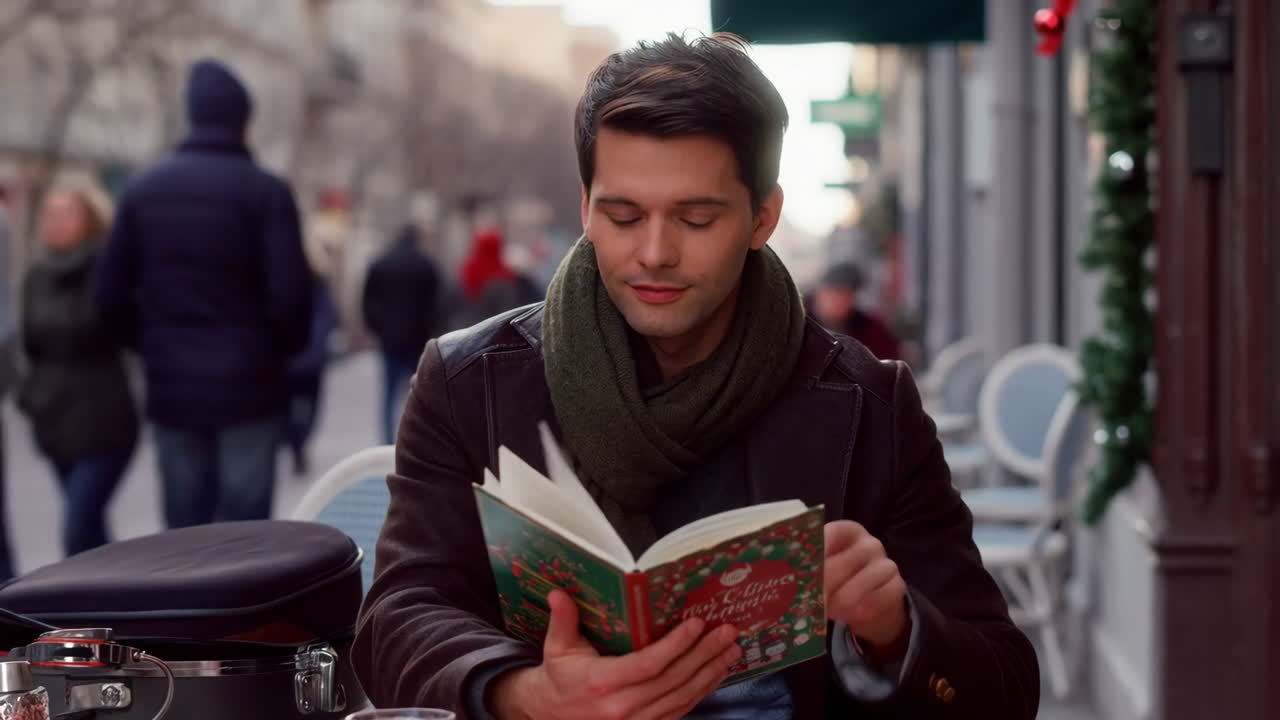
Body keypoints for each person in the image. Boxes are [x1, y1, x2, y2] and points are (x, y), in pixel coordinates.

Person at [352, 33, 1037, 719]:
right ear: (587, 207)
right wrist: (524, 695)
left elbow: (1005, 688)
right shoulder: (469, 381)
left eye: (696, 217)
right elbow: (395, 623)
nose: (654, 253)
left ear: (761, 218)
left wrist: (895, 628)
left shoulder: (869, 401)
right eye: (623, 216)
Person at [95, 58, 312, 528]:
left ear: (191, 113)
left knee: (185, 535)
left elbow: (108, 295)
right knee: (245, 537)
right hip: (251, 385)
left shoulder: (142, 190)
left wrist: (152, 343)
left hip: (174, 386)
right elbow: (291, 299)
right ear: (243, 119)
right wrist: (274, 353)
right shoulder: (267, 193)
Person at [18, 185, 138, 556]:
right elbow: (30, 344)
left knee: (78, 528)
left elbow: (112, 327)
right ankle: (123, 599)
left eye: (65, 213)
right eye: (49, 213)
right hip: (54, 419)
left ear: (91, 220)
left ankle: (95, 604)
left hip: (103, 418)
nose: (53, 221)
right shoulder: (36, 277)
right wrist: (30, 396)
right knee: (90, 533)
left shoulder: (108, 269)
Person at [362, 224, 442, 444]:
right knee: (417, 394)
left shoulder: (380, 263)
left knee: (388, 394)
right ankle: (414, 441)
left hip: (389, 339)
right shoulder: (425, 265)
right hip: (417, 339)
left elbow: (368, 300)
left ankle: (387, 442)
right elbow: (435, 304)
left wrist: (376, 327)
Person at [285, 274, 338, 475]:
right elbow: (330, 315)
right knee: (312, 404)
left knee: (291, 407)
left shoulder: (288, 280)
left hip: (290, 358)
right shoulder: (318, 282)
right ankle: (301, 439)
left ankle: (297, 441)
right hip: (311, 357)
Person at [810, 261, 903, 361]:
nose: (839, 301)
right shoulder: (802, 325)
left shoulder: (871, 329)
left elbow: (889, 364)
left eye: (846, 295)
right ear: (819, 293)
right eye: (834, 293)